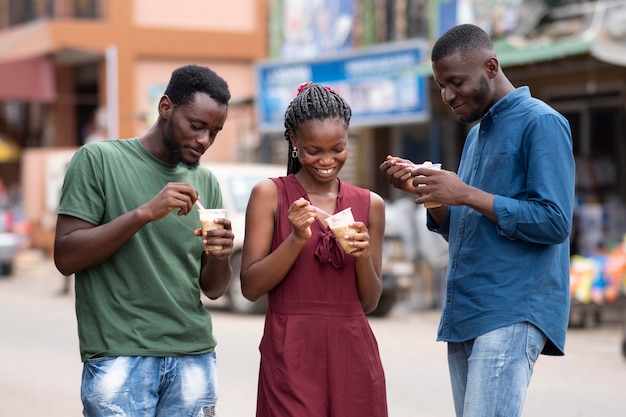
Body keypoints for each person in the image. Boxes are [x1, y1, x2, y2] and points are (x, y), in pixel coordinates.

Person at [380, 24, 575, 417]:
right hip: (468, 310)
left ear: (490, 66)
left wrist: (465, 193)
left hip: (511, 306)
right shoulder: (475, 136)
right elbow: (468, 230)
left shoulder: (542, 123)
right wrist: (430, 194)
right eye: (441, 86)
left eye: (455, 82)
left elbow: (555, 222)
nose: (447, 96)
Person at [54, 64, 235, 417]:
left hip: (193, 355)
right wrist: (144, 214)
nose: (204, 140)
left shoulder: (207, 183)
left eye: (214, 132)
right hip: (120, 353)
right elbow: (65, 256)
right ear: (165, 107)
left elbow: (213, 289)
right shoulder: (99, 161)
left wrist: (221, 255)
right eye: (196, 126)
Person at [240, 82, 388, 417]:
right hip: (291, 354)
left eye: (337, 148)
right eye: (313, 151)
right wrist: (296, 238)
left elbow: (369, 302)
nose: (326, 161)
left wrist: (362, 256)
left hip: (353, 351)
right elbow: (250, 287)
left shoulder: (370, 205)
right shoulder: (269, 195)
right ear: (293, 141)